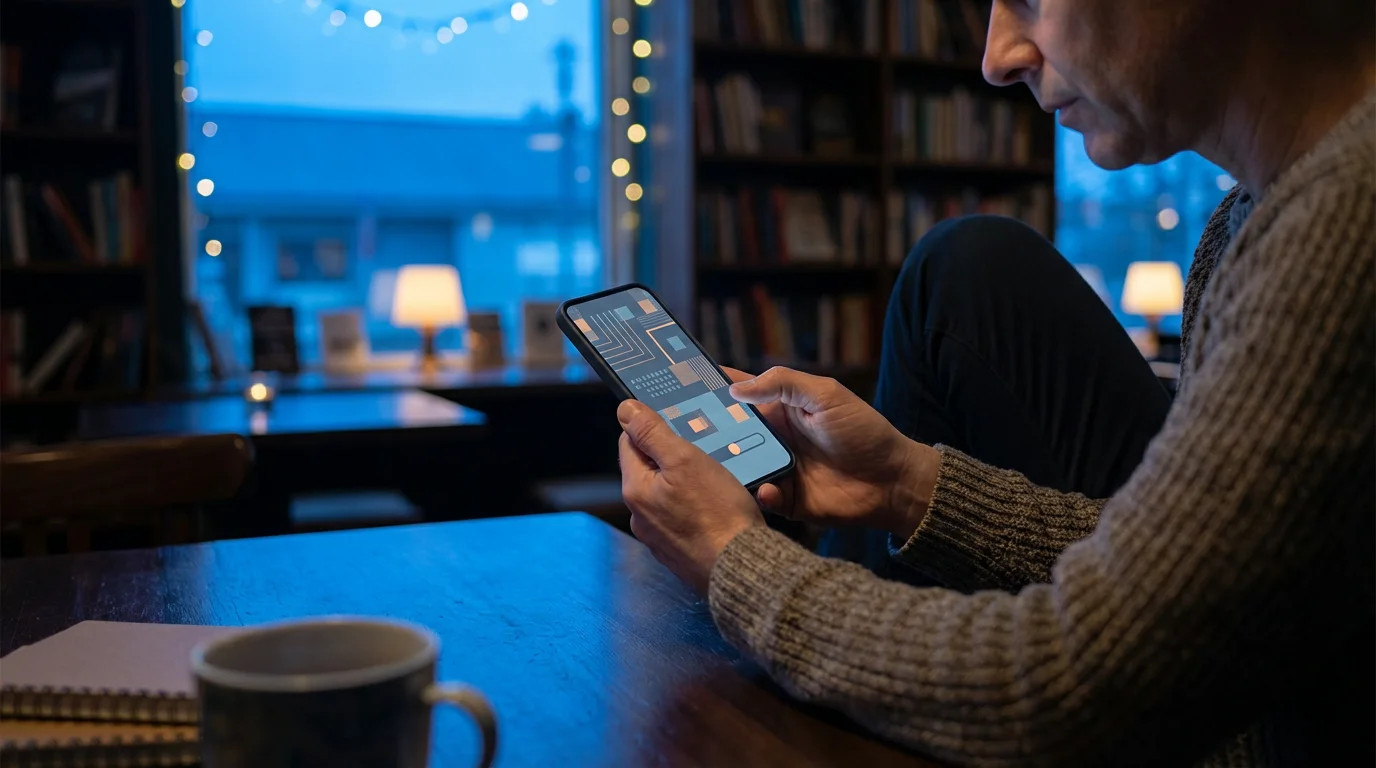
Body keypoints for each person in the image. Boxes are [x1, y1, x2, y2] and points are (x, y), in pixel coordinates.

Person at [614, 0, 1375, 765]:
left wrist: (736, 564)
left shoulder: (1346, 225)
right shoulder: (1254, 214)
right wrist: (907, 485)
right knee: (966, 265)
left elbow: (1075, 685)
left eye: (1031, 2)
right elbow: (1193, 585)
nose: (996, 56)